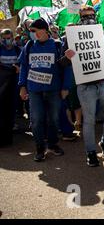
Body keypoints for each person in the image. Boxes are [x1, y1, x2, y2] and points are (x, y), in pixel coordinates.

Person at [63, 6, 104, 167]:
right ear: (79, 18)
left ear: (96, 16)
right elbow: (62, 63)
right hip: (85, 87)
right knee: (89, 120)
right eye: (85, 16)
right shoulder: (71, 37)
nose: (88, 19)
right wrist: (67, 57)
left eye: (91, 16)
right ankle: (91, 152)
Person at [18, 18, 71, 161]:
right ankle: (40, 148)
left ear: (44, 30)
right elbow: (24, 67)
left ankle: (53, 144)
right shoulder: (29, 46)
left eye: (34, 31)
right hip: (34, 91)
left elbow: (66, 67)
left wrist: (65, 87)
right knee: (36, 120)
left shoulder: (57, 45)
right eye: (30, 31)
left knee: (53, 120)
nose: (32, 34)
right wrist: (22, 86)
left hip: (53, 90)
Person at [0, 29, 21, 146]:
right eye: (4, 38)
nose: (7, 41)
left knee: (11, 107)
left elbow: (22, 66)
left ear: (12, 38)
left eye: (9, 38)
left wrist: (18, 69)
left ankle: (9, 132)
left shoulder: (18, 50)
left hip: (14, 85)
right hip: (1, 85)